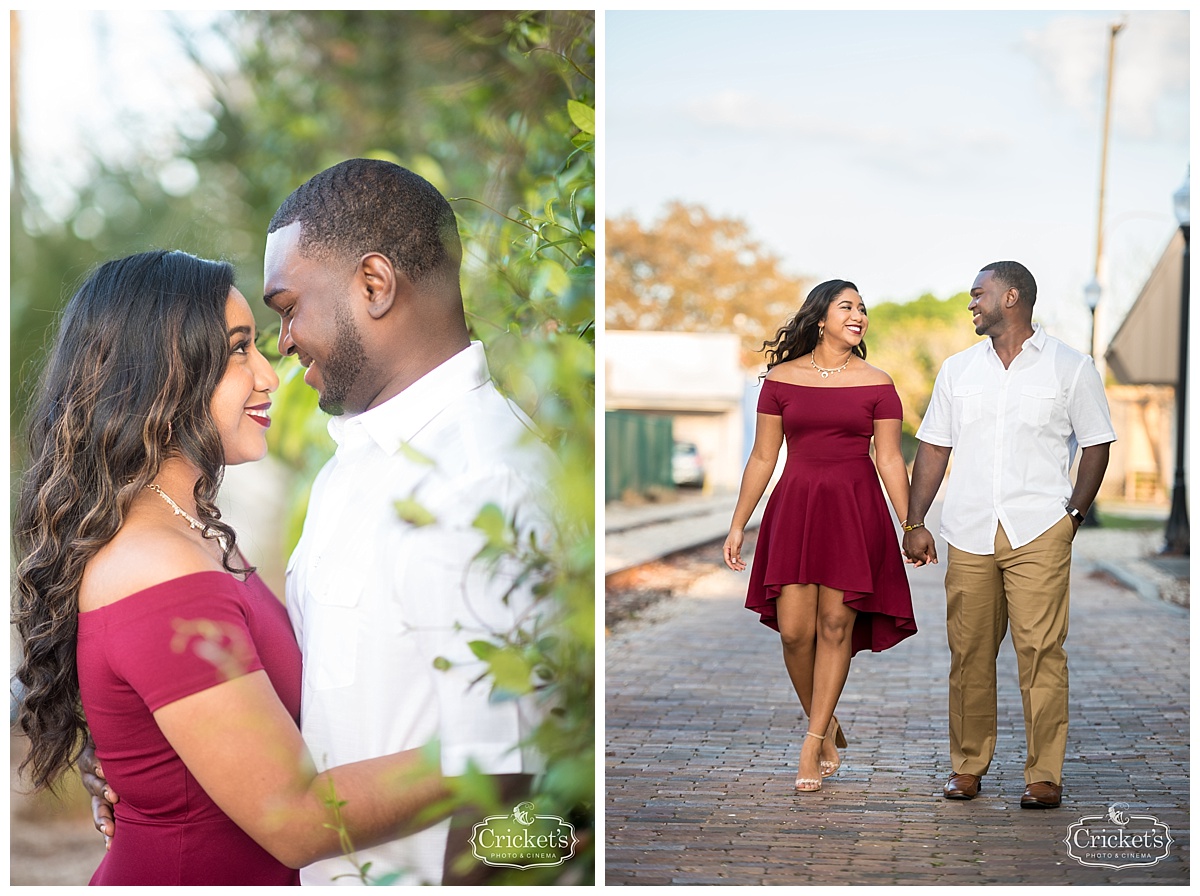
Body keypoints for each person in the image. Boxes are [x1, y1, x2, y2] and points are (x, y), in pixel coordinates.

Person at [13, 250, 451, 885]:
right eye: (239, 350)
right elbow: (296, 819)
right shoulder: (157, 566)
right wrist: (493, 756)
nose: (270, 376)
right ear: (160, 374)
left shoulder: (189, 535)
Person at [263, 158, 554, 884]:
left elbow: (508, 779)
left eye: (288, 307)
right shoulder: (352, 465)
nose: (282, 341)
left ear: (373, 285)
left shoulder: (483, 478)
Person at [902, 260, 1115, 810]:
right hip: (969, 529)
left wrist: (1073, 515)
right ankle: (967, 767)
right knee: (968, 653)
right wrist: (915, 520)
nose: (971, 303)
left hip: (1039, 527)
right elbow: (933, 448)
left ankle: (1044, 773)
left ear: (1012, 297)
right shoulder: (957, 370)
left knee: (1042, 651)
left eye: (979, 294)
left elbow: (1097, 443)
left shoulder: (1071, 367)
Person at [723, 279, 918, 792]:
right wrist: (739, 523)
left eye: (863, 309)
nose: (859, 315)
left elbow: (891, 458)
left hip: (854, 512)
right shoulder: (781, 380)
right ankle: (826, 721)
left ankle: (812, 742)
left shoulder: (879, 382)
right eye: (847, 306)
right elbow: (763, 456)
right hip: (797, 510)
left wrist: (911, 523)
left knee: (836, 626)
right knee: (793, 631)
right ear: (820, 317)